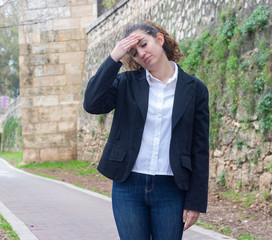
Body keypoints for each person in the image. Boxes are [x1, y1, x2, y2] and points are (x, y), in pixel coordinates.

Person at [83, 21, 209, 240]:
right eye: (133, 52)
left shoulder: (195, 89)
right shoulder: (125, 83)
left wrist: (195, 201)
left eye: (143, 44)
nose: (140, 53)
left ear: (159, 40)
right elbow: (92, 103)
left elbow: (200, 147)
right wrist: (114, 58)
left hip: (171, 188)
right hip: (128, 186)